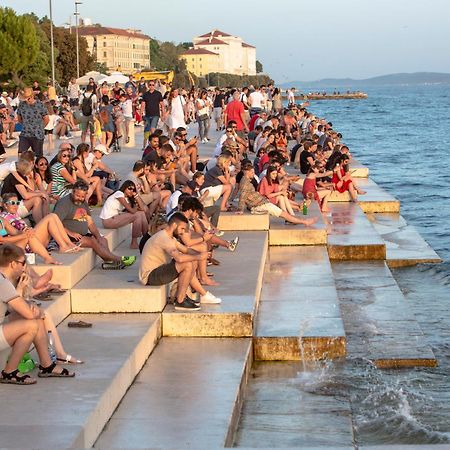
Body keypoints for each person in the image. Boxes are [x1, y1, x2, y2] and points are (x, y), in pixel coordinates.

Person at [0, 244, 75, 383]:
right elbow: (28, 314)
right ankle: (9, 372)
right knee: (31, 325)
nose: (25, 267)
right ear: (12, 264)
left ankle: (47, 365)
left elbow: (14, 309)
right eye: (23, 263)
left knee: (37, 318)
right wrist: (34, 311)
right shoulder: (2, 282)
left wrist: (33, 310)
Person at [139, 212, 221, 311]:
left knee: (190, 260)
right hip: (150, 276)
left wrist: (203, 254)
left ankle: (194, 295)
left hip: (158, 271)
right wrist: (199, 256)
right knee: (186, 263)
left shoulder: (170, 237)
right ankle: (180, 301)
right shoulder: (164, 238)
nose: (182, 232)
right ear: (174, 225)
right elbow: (179, 259)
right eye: (182, 228)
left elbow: (186, 250)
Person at [54, 180, 136, 270]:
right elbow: (55, 222)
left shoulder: (83, 202)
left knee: (103, 240)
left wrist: (98, 236)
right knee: (92, 242)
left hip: (82, 234)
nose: (80, 198)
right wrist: (70, 233)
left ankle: (109, 262)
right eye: (77, 195)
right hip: (68, 236)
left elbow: (90, 222)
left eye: (82, 196)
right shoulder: (64, 203)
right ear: (73, 191)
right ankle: (118, 259)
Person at [238, 163, 318, 226]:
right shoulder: (245, 182)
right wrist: (240, 210)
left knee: (283, 207)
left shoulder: (246, 181)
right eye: (252, 172)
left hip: (262, 202)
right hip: (259, 205)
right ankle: (305, 221)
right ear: (247, 172)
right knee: (282, 213)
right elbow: (242, 196)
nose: (253, 173)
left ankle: (296, 215)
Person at [100, 180, 148, 249]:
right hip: (108, 221)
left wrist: (136, 196)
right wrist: (135, 207)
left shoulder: (127, 198)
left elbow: (142, 209)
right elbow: (132, 210)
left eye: (133, 189)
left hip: (114, 218)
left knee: (141, 213)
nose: (131, 191)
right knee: (137, 215)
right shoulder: (119, 194)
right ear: (124, 187)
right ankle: (135, 242)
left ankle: (146, 238)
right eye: (129, 188)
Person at [16, 87, 49, 157]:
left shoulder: (40, 104)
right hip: (25, 133)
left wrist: (40, 127)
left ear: (32, 96)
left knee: (38, 156)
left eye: (27, 97)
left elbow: (46, 119)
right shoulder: (22, 104)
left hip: (37, 134)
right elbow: (19, 118)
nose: (26, 99)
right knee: (21, 154)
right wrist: (26, 125)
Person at [140, 80, 164, 147]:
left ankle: (153, 144)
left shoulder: (158, 94)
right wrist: (141, 114)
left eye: (153, 85)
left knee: (153, 129)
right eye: (150, 85)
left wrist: (163, 114)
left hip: (156, 114)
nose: (151, 86)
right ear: (148, 85)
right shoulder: (145, 94)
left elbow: (162, 105)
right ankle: (151, 143)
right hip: (147, 115)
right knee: (148, 130)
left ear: (155, 85)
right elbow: (143, 105)